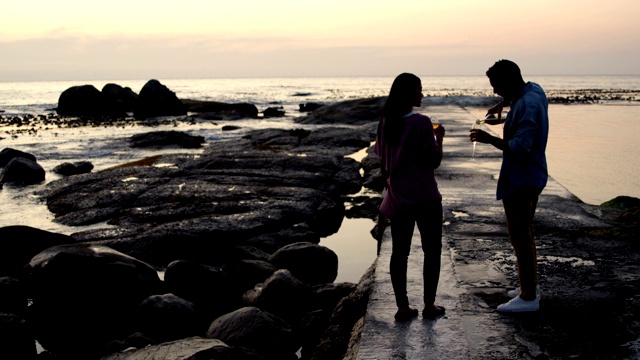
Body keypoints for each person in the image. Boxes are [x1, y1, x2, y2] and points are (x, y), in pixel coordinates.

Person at [469, 59, 549, 312]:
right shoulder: (533, 90)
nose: (494, 91)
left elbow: (521, 147)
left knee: (520, 237)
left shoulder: (526, 104)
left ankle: (528, 297)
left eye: (497, 87)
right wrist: (503, 105)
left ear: (510, 81)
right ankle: (530, 285)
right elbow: (522, 95)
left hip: (521, 179)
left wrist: (488, 139)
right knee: (525, 232)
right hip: (532, 175)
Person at [374, 73, 446, 321]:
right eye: (419, 89)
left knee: (399, 252)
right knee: (432, 251)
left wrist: (391, 186)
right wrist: (440, 138)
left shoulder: (385, 123)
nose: (422, 94)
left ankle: (402, 307)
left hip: (399, 198)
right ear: (408, 92)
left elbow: (383, 161)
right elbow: (433, 161)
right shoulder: (421, 123)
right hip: (425, 198)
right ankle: (429, 305)